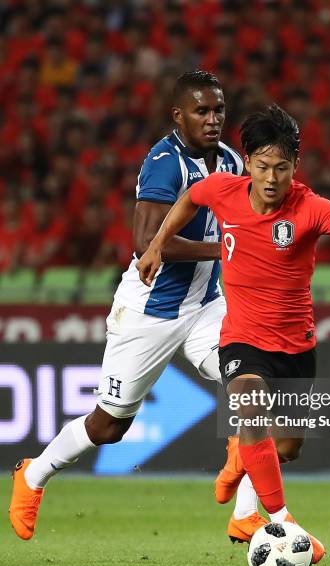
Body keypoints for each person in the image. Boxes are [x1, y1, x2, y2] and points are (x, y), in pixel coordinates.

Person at [137, 104, 330, 564]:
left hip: (295, 346)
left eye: (281, 168)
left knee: (287, 446)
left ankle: (240, 463)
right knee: (249, 407)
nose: (271, 178)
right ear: (247, 163)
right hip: (242, 338)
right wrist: (156, 247)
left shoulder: (308, 206)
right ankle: (282, 522)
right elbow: (189, 199)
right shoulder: (223, 190)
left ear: (295, 167)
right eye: (263, 166)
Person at [9, 70, 247, 540]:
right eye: (202, 110)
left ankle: (247, 511)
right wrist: (224, 249)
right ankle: (33, 474)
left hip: (207, 305)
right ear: (178, 115)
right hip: (151, 311)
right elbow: (146, 244)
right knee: (110, 426)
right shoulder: (164, 162)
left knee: (253, 381)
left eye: (219, 109)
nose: (213, 119)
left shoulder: (232, 161)